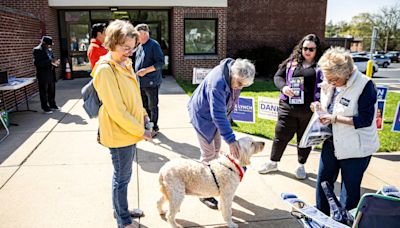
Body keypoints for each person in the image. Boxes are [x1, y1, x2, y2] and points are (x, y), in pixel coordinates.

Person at [92, 20, 152, 228]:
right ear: (112, 43)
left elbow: (134, 96)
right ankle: (123, 220)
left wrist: (144, 115)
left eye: (133, 47)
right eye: (126, 47)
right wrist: (141, 131)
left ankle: (122, 210)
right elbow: (117, 110)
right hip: (119, 133)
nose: (131, 52)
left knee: (124, 176)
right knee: (122, 178)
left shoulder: (125, 63)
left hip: (130, 130)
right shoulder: (105, 70)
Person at [311, 46, 379, 215]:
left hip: (356, 148)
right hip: (331, 141)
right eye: (327, 79)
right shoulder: (330, 81)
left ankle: (345, 221)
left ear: (346, 73)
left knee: (349, 191)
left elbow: (364, 120)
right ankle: (322, 217)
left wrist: (334, 118)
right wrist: (319, 107)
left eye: (333, 79)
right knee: (323, 183)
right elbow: (328, 103)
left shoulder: (365, 85)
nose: (329, 82)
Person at [188, 58, 255, 210]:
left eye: (242, 85)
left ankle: (215, 182)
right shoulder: (217, 83)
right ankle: (204, 192)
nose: (239, 87)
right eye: (239, 84)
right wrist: (231, 140)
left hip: (215, 116)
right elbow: (217, 114)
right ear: (233, 74)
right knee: (208, 153)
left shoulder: (235, 77)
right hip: (202, 116)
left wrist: (228, 120)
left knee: (216, 150)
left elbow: (228, 104)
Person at [258, 34, 323, 179]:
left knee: (304, 139)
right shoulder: (291, 62)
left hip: (309, 111)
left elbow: (328, 87)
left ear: (317, 50)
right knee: (280, 135)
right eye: (305, 48)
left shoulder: (322, 66)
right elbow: (278, 77)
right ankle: (273, 162)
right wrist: (284, 88)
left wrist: (320, 102)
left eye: (311, 49)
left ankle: (301, 165)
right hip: (288, 107)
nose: (307, 51)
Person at [134, 23, 164, 137]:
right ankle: (147, 126)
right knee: (144, 106)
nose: (135, 37)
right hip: (141, 82)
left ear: (144, 33)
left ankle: (154, 128)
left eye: (137, 34)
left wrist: (145, 71)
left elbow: (160, 63)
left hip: (151, 82)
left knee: (152, 106)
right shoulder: (140, 45)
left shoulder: (154, 45)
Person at [33, 36, 60, 114]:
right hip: (43, 75)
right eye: (48, 45)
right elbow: (37, 63)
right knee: (43, 92)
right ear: (43, 43)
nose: (50, 46)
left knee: (52, 90)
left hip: (51, 73)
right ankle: (45, 107)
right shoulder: (37, 50)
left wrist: (56, 63)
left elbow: (52, 60)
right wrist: (49, 61)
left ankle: (52, 105)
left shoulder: (49, 50)